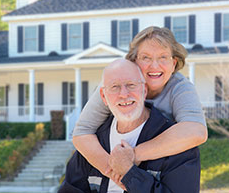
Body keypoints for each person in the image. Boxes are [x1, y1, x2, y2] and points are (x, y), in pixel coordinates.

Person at [72, 26, 207, 181]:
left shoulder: (181, 88)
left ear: (174, 63)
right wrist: (113, 172)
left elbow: (197, 131)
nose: (154, 66)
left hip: (163, 170)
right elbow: (82, 132)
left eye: (163, 57)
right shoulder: (113, 84)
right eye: (146, 58)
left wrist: (134, 155)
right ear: (134, 61)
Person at [58, 59, 200, 193]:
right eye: (114, 87)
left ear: (144, 90)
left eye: (131, 85)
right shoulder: (93, 146)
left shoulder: (178, 145)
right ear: (103, 96)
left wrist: (130, 174)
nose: (124, 94)